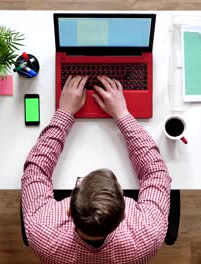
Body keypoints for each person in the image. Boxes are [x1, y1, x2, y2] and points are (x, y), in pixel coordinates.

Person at [21, 75, 172, 264]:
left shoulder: (42, 234)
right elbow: (156, 173)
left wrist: (65, 112)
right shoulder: (148, 235)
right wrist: (122, 115)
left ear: (68, 210)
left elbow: (35, 171)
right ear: (124, 213)